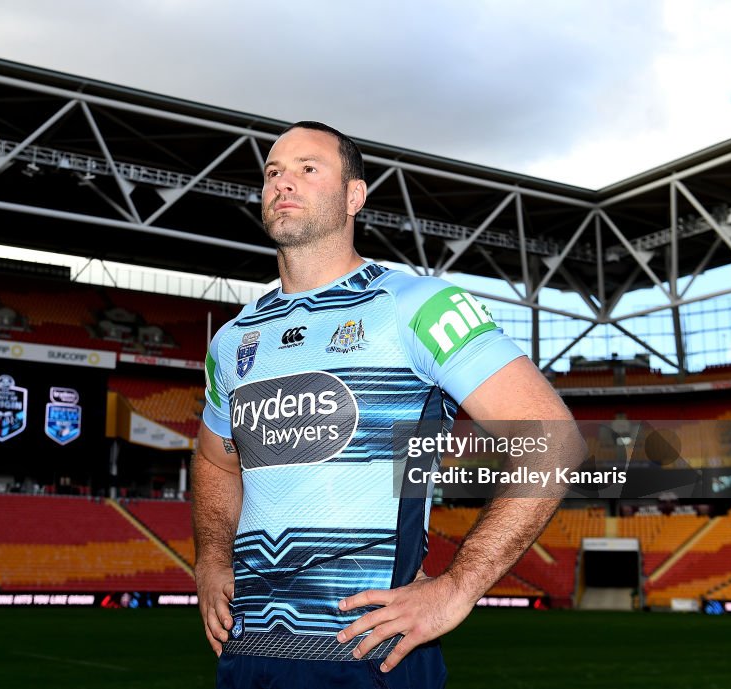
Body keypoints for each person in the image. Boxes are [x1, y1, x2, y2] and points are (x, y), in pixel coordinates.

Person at [193, 121, 582, 688]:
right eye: (273, 172)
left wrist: (457, 587)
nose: (283, 183)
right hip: (249, 654)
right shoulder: (234, 338)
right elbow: (215, 460)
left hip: (371, 656)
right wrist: (210, 560)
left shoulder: (416, 305)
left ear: (355, 196)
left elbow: (553, 439)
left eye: (308, 169)